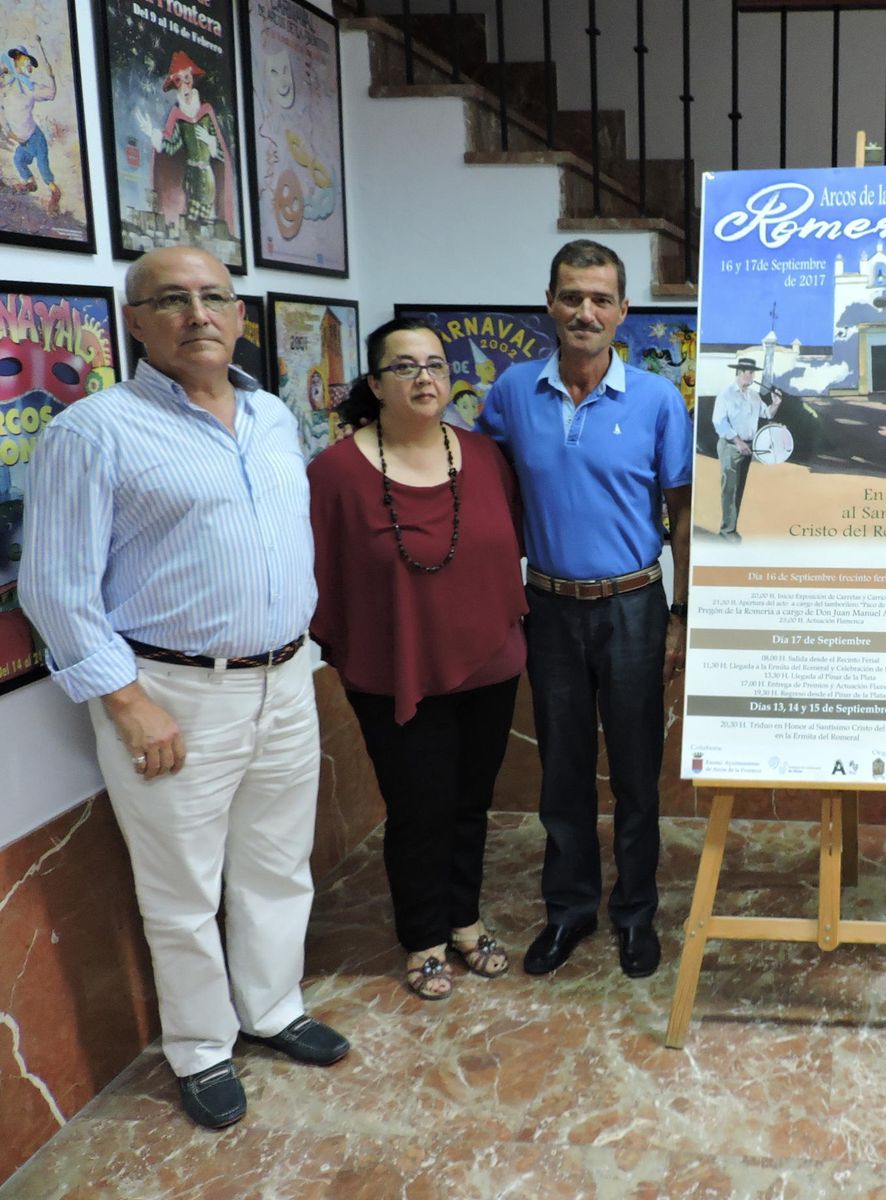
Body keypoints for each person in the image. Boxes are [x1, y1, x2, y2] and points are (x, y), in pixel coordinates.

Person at [18, 246, 347, 1131]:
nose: (197, 314)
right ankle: (202, 1047)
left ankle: (273, 1009)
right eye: (172, 300)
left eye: (213, 297)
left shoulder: (275, 417)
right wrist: (126, 702)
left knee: (278, 865)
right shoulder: (93, 432)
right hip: (172, 693)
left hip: (284, 677)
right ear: (134, 322)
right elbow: (54, 587)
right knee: (182, 886)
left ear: (239, 314)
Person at [479, 238, 692, 980]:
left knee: (636, 771)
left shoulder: (659, 401)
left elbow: (683, 512)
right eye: (572, 296)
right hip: (549, 606)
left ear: (624, 312)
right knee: (562, 772)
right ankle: (568, 910)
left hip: (634, 604)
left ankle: (635, 914)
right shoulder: (510, 394)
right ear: (549, 303)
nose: (585, 311)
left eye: (601, 298)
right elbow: (487, 495)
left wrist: (680, 615)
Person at [308, 318, 527, 1002]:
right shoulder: (336, 472)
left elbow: (508, 546)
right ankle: (424, 937)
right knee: (417, 808)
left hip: (489, 664)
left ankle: (465, 919)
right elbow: (319, 573)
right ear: (374, 384)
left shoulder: (485, 457)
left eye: (435, 364)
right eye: (405, 367)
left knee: (471, 802)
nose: (425, 378)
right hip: (394, 670)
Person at [136, 51, 237, 237]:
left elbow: (220, 154)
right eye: (180, 80)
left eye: (187, 78)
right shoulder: (178, 117)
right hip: (191, 176)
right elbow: (172, 146)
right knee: (191, 219)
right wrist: (153, 133)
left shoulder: (207, 113)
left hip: (206, 175)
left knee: (206, 215)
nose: (185, 84)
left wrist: (209, 141)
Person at [710, 356, 782, 541]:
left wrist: (775, 404)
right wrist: (738, 441)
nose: (752, 376)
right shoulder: (726, 394)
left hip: (748, 448)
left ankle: (732, 529)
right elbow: (719, 422)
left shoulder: (754, 395)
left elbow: (766, 414)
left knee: (738, 489)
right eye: (750, 373)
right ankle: (727, 532)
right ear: (740, 373)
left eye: (753, 373)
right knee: (729, 490)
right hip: (731, 447)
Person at [1, 42, 61, 213]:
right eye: (23, 60)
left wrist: (51, 76)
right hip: (23, 142)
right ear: (15, 60)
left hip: (35, 138)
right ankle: (30, 183)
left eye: (28, 62)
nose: (27, 65)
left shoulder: (30, 87)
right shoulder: (6, 86)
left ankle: (54, 192)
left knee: (44, 169)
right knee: (18, 160)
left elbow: (51, 93)